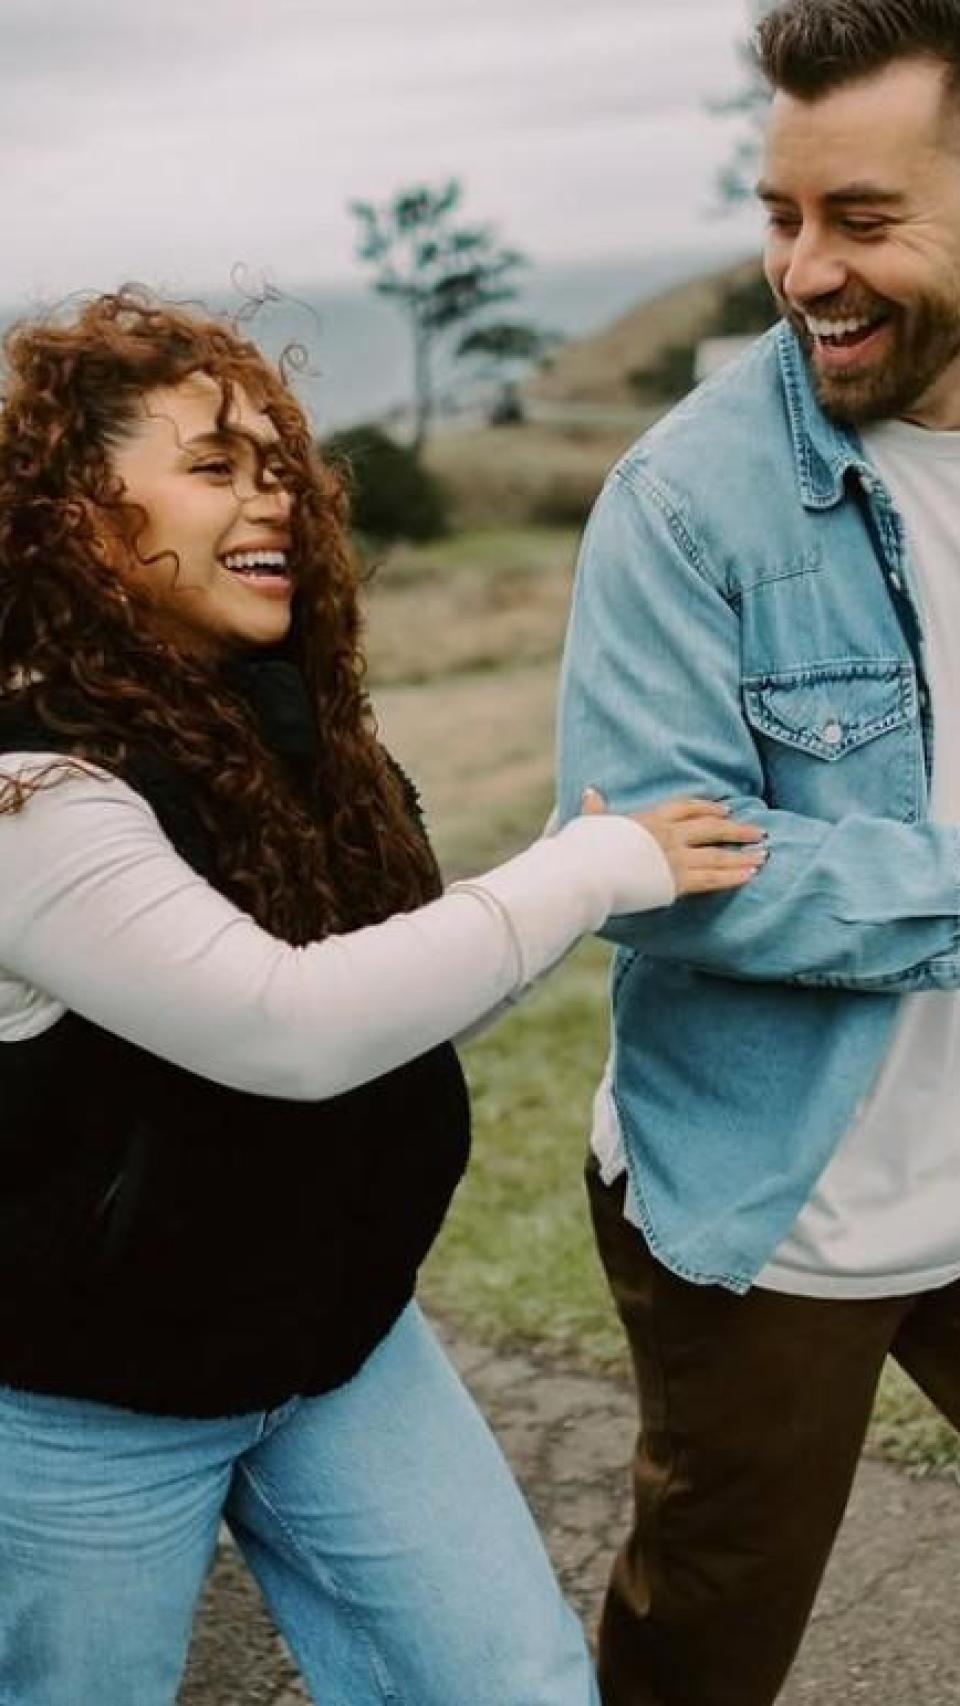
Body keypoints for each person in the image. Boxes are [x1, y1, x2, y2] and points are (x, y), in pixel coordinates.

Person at [0, 289, 765, 1706]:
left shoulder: (277, 723)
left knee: (517, 1687)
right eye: (214, 465)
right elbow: (293, 1028)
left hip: (339, 1347)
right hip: (79, 1404)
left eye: (278, 461)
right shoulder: (30, 791)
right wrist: (587, 867)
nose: (271, 497)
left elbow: (406, 984)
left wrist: (535, 894)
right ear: (71, 508)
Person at [555, 3, 960, 1703]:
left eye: (861, 220)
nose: (803, 271)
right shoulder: (683, 502)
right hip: (778, 1208)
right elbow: (679, 871)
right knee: (708, 1636)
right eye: (782, 215)